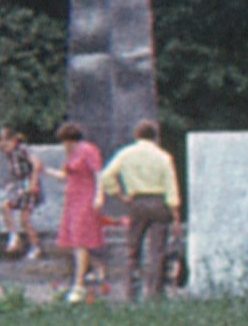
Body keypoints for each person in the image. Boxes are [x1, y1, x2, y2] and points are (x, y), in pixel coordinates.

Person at [99, 119, 181, 297]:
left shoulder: (126, 154)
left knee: (133, 247)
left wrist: (119, 195)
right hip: (159, 203)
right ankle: (154, 292)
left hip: (137, 202)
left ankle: (131, 290)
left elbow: (106, 176)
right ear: (155, 137)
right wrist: (175, 214)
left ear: (136, 135)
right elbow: (171, 187)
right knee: (157, 250)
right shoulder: (163, 157)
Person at [55, 122, 104, 300]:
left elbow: (98, 173)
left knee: (80, 240)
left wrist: (99, 196)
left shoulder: (88, 150)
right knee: (74, 239)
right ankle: (95, 268)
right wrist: (44, 170)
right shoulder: (72, 153)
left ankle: (79, 284)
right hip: (73, 199)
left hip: (85, 198)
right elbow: (64, 175)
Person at [0, 125, 40, 279]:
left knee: (23, 218)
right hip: (19, 185)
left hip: (28, 185)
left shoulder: (22, 149)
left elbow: (37, 165)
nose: (4, 147)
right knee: (10, 210)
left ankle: (30, 244)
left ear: (14, 140)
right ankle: (16, 237)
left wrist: (33, 182)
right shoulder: (9, 152)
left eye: (7, 143)